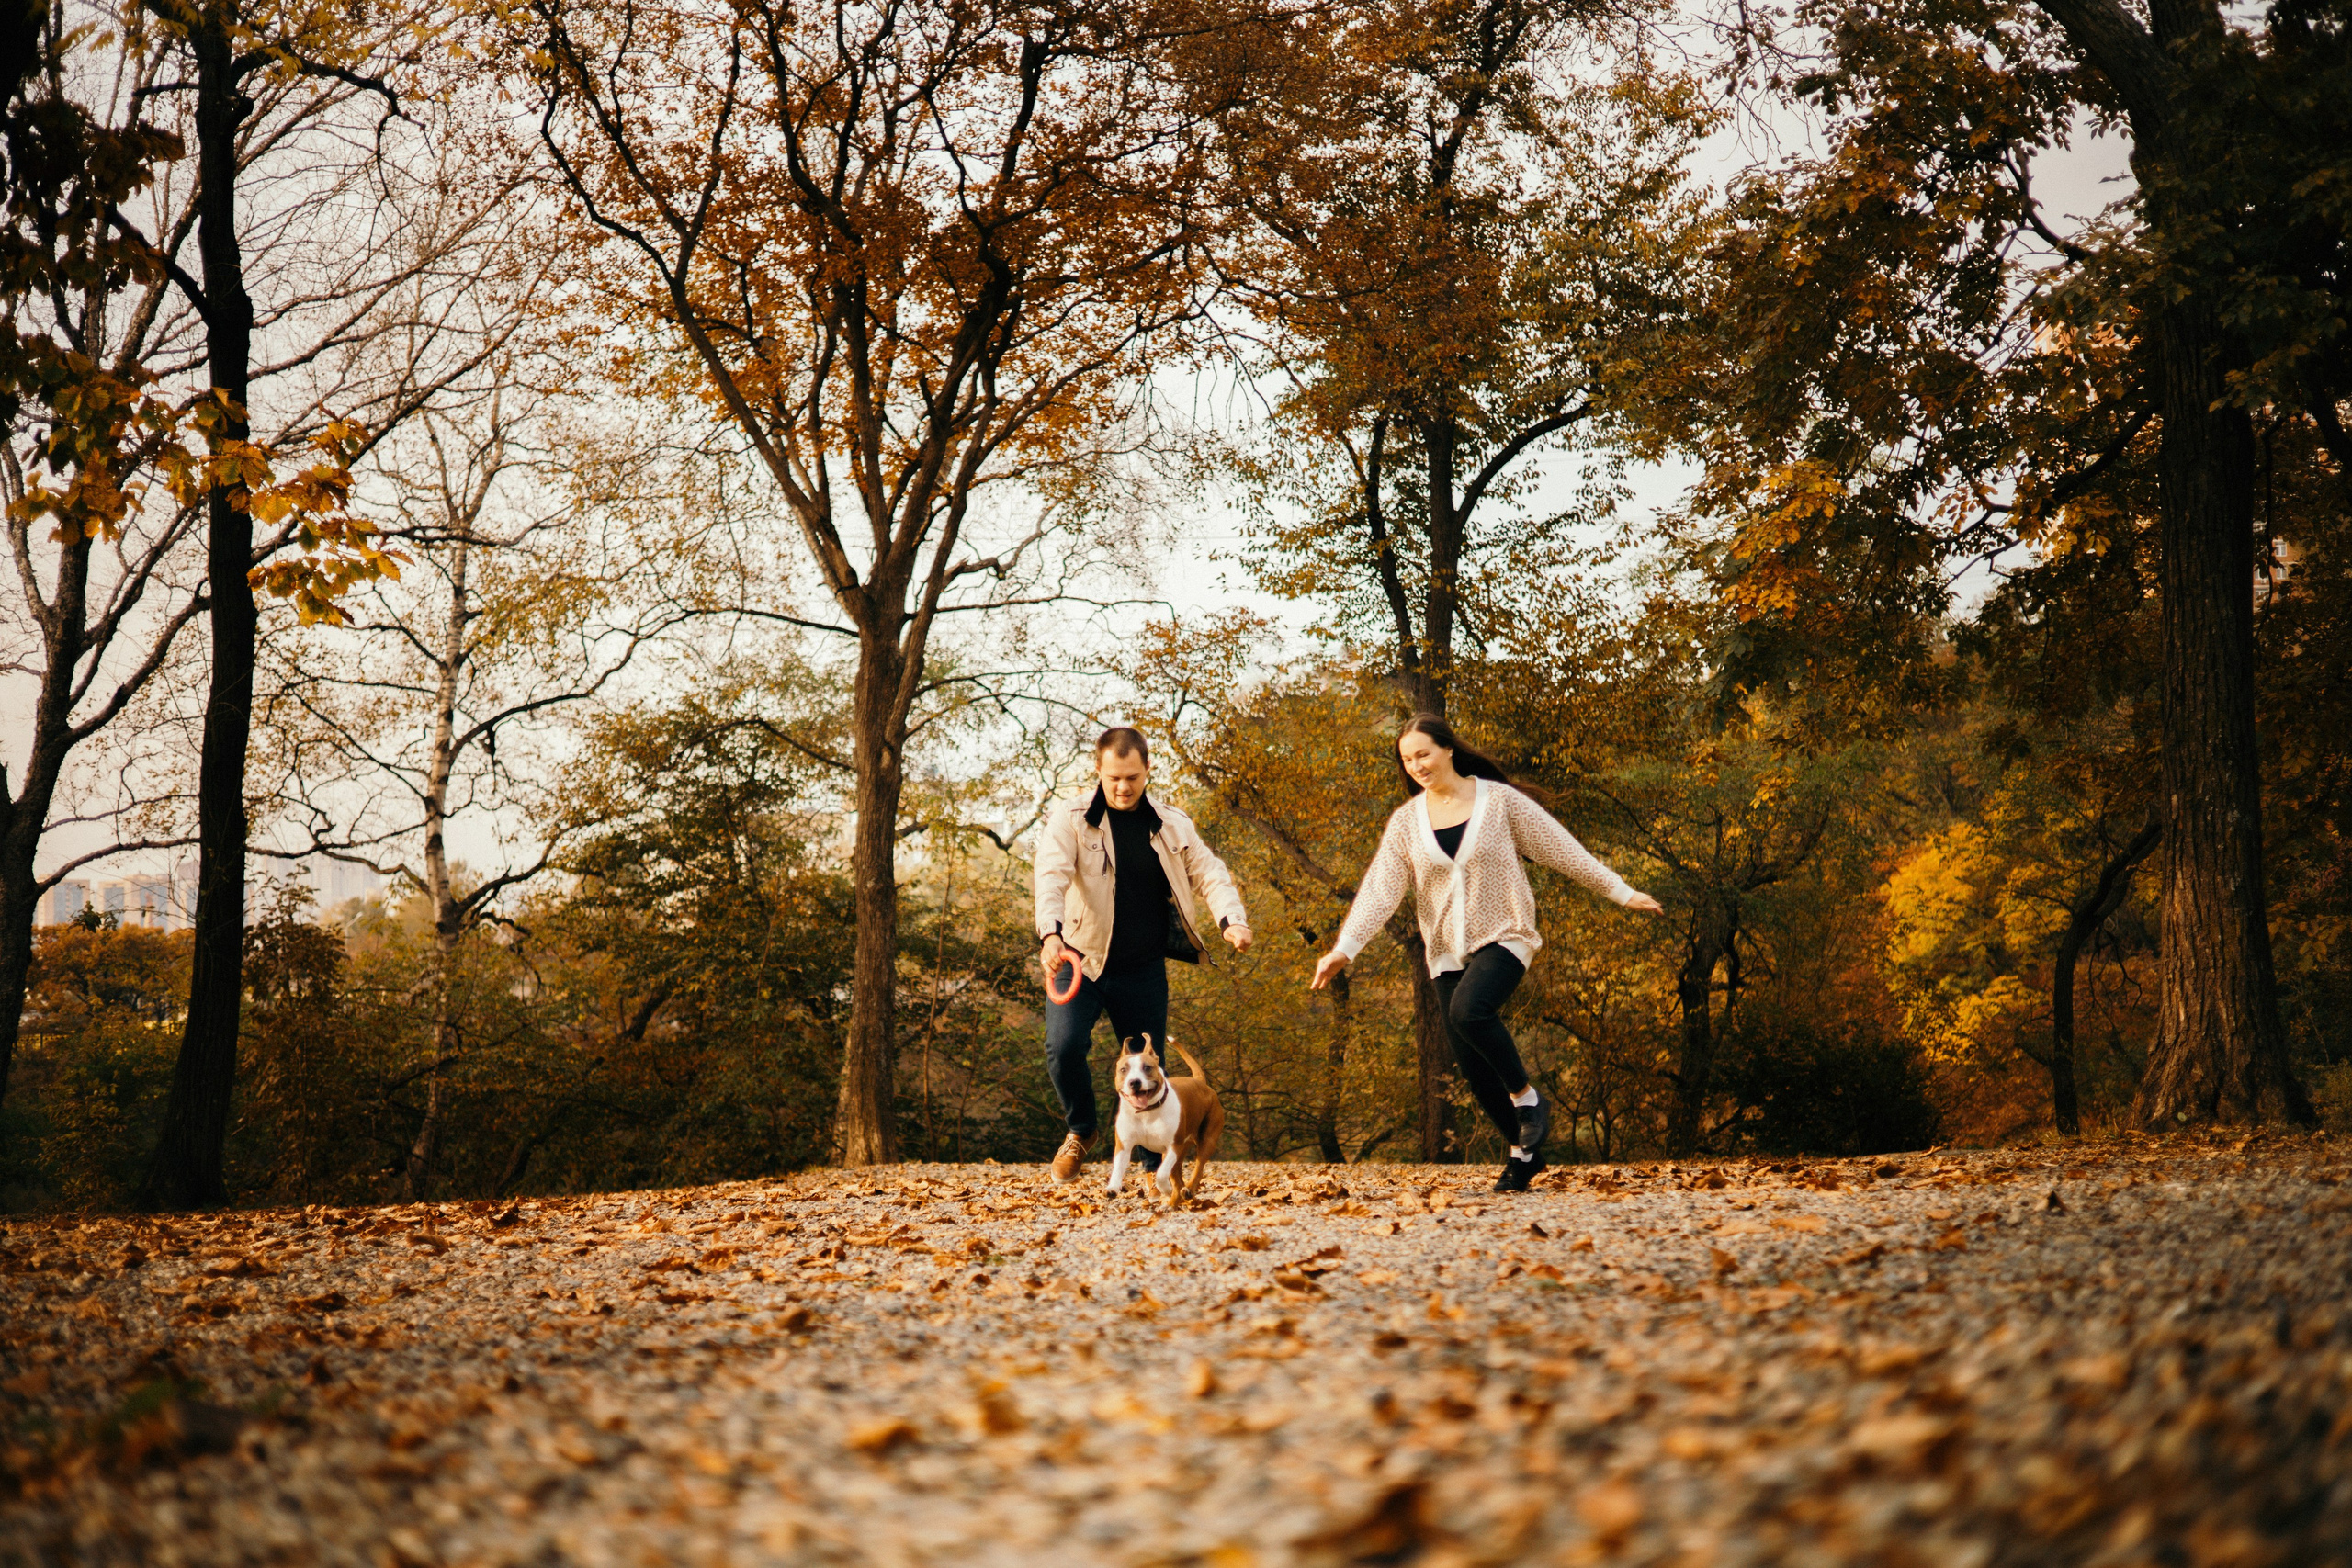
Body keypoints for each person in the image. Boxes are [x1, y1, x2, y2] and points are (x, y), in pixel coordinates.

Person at [1312, 715, 1663, 1192]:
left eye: (1423, 754)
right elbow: (1379, 892)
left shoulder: (1498, 802)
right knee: (1475, 1070)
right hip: (1444, 950)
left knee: (1470, 1010)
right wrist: (1344, 950)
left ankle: (1528, 1098)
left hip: (1505, 931)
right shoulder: (1405, 824)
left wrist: (1621, 892)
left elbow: (1562, 850)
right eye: (1407, 759)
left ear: (1448, 749)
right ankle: (1524, 1157)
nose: (1416, 765)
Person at [1035, 728, 1252, 1182]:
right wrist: (1049, 935)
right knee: (1063, 1047)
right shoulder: (1072, 817)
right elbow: (1050, 875)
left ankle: (1157, 1164)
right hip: (1079, 959)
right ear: (1098, 770)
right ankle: (1082, 1132)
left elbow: (1210, 873)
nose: (1122, 787)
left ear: (1147, 769)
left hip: (1142, 969)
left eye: (1132, 777)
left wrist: (1231, 920)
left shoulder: (1172, 823)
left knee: (1147, 1066)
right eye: (1113, 777)